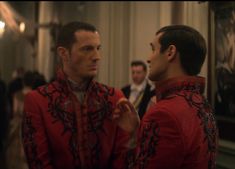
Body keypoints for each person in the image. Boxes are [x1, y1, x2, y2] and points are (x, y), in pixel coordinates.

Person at [22, 21, 134, 169]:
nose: (96, 56)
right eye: (87, 49)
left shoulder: (114, 97)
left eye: (98, 48)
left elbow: (123, 157)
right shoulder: (37, 101)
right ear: (64, 53)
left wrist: (135, 134)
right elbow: (38, 162)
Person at [115, 25, 219, 169]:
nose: (149, 58)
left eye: (153, 49)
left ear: (170, 52)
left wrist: (130, 140)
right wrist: (136, 132)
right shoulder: (202, 102)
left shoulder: (163, 113)